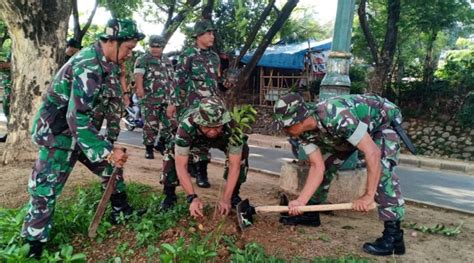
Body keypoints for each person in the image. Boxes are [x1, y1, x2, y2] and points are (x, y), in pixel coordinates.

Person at [21, 18, 145, 259]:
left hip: (83, 134)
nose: (130, 54)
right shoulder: (88, 63)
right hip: (57, 134)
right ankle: (32, 245)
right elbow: (75, 117)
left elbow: (106, 105)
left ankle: (121, 210)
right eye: (128, 48)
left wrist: (109, 143)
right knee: (45, 189)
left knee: (112, 168)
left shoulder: (106, 64)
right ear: (112, 41)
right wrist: (105, 150)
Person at [273, 93, 407, 256]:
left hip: (381, 121)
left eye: (286, 126)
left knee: (382, 171)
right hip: (346, 131)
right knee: (326, 164)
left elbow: (372, 153)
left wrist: (368, 196)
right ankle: (310, 213)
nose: (285, 131)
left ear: (300, 119)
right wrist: (302, 201)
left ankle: (394, 238)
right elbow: (317, 167)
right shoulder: (302, 133)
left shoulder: (335, 116)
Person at [167, 19, 235, 188]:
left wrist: (226, 85)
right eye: (209, 33)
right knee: (189, 137)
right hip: (191, 105)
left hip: (210, 104)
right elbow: (178, 81)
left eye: (213, 33)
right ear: (199, 35)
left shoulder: (214, 57)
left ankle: (201, 172)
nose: (212, 36)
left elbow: (216, 82)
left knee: (206, 139)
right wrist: (172, 103)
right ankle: (187, 171)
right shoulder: (188, 55)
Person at [160, 97, 248, 215]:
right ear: (199, 122)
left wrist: (226, 198)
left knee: (243, 151)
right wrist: (192, 197)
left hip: (222, 139)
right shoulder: (186, 126)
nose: (212, 131)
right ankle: (169, 195)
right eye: (207, 126)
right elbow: (181, 165)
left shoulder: (233, 128)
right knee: (172, 152)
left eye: (217, 126)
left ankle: (233, 195)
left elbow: (235, 165)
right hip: (195, 137)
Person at [134, 35, 176, 159]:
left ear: (162, 47)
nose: (155, 49)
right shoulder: (143, 59)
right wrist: (139, 88)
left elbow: (171, 79)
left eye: (158, 47)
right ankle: (149, 149)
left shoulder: (167, 60)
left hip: (166, 98)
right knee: (150, 124)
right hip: (150, 97)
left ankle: (161, 143)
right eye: (152, 46)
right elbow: (138, 75)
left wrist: (173, 96)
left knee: (170, 123)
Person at [0, 51, 11, 142]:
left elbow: (14, 64)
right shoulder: (12, 48)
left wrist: (4, 65)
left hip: (13, 87)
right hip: (8, 86)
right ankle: (10, 133)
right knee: (6, 110)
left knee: (10, 109)